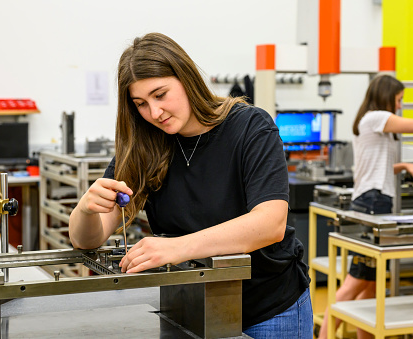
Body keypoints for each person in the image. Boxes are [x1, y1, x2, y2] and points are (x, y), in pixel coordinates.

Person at [68, 32, 313, 338]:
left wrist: (177, 247)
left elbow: (270, 224)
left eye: (160, 95)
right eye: (141, 103)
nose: (154, 113)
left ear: (186, 78)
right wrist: (85, 210)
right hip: (187, 308)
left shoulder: (250, 127)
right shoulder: (145, 146)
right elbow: (86, 240)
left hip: (269, 311)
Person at [317, 74, 413, 339]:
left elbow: (375, 166)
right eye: (398, 99)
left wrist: (403, 167)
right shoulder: (376, 117)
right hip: (373, 203)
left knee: (371, 285)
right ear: (386, 96)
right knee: (354, 284)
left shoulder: (372, 122)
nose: (399, 105)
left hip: (373, 200)